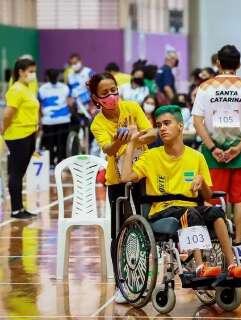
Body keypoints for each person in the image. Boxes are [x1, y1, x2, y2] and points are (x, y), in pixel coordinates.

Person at [120, 105, 241, 279]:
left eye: (167, 123)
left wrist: (202, 181)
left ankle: (232, 265)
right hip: (162, 211)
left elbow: (208, 196)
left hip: (190, 208)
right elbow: (126, 177)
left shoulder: (197, 157)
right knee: (191, 214)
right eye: (159, 125)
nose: (162, 129)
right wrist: (131, 144)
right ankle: (199, 267)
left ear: (181, 126)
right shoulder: (151, 157)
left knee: (217, 212)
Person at [89, 72, 157, 303]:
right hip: (117, 181)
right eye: (105, 93)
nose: (111, 95)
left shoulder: (132, 107)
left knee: (146, 224)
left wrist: (137, 137)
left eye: (113, 90)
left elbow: (152, 134)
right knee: (119, 232)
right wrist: (122, 140)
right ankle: (123, 283)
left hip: (141, 174)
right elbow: (108, 149)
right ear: (96, 98)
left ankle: (146, 278)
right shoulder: (98, 123)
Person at [192, 45, 241, 261]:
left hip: (212, 154)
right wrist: (239, 148)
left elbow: (197, 122)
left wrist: (213, 148)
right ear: (239, 64)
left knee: (213, 199)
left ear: (218, 63)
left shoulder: (205, 88)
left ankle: (216, 245)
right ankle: (239, 246)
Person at [1, 58, 39, 219]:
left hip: (30, 134)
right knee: (15, 173)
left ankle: (20, 208)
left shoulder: (27, 88)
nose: (33, 74)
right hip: (17, 136)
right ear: (20, 72)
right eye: (30, 71)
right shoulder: (16, 90)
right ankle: (16, 210)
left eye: (33, 71)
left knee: (20, 173)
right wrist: (4, 128)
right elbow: (8, 114)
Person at [38, 69, 73, 166]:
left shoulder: (42, 89)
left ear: (47, 77)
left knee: (49, 144)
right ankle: (61, 162)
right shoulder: (65, 88)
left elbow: (39, 106)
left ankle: (50, 163)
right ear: (58, 77)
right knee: (61, 143)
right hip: (64, 120)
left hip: (48, 121)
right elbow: (70, 103)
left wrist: (40, 119)